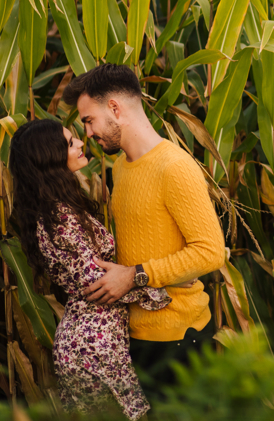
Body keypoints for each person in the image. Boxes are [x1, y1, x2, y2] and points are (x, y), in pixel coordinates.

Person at [62, 63, 228, 393]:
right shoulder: (121, 166)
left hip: (179, 338)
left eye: (89, 120)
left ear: (114, 108)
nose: (89, 133)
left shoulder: (174, 167)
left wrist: (133, 275)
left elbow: (211, 253)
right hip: (137, 336)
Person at [9, 118, 169, 420]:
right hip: (95, 346)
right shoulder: (61, 218)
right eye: (70, 143)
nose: (82, 142)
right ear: (50, 159)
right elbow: (100, 285)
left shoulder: (55, 209)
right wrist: (161, 284)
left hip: (86, 341)